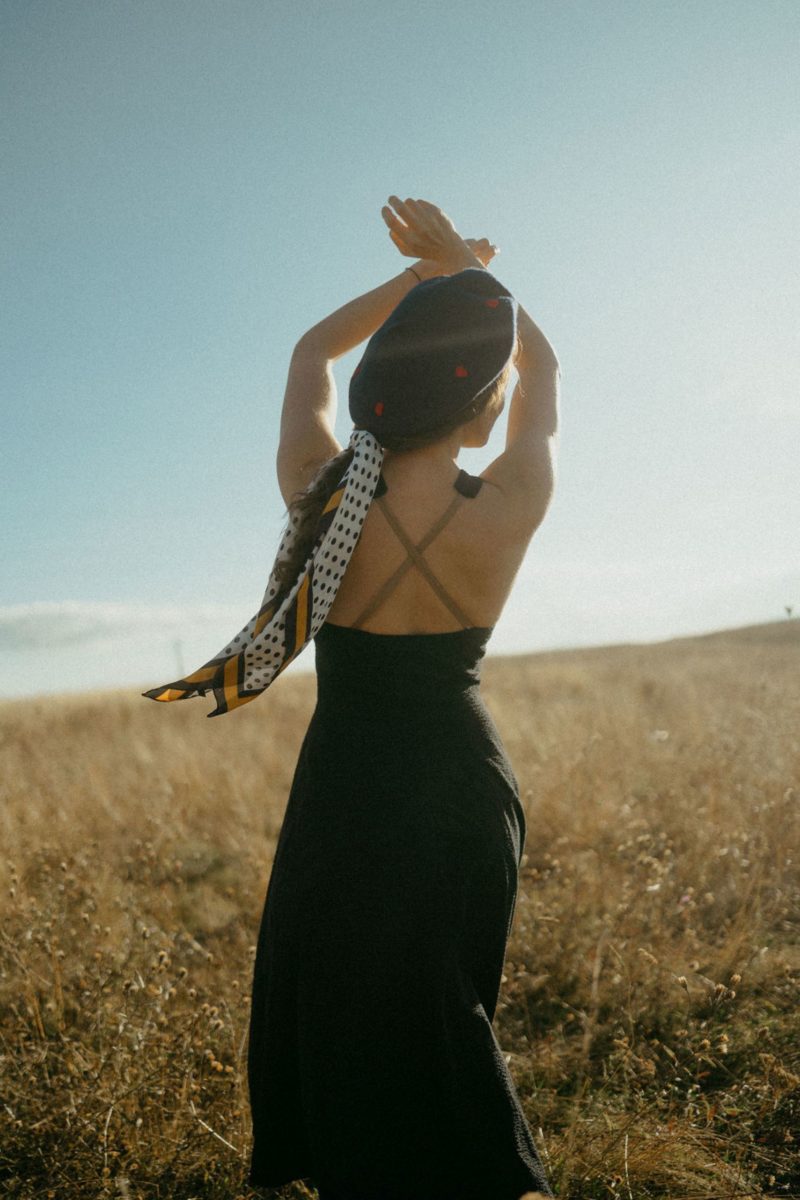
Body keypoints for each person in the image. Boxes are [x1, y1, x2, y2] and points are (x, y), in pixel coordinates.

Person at [143, 196, 560, 1198]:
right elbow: (545, 371)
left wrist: (421, 279)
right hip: (464, 782)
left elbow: (309, 355)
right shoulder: (512, 503)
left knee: (340, 1015)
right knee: (450, 1009)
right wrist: (471, 275)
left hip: (347, 784)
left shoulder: (316, 491)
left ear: (383, 393)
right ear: (483, 413)